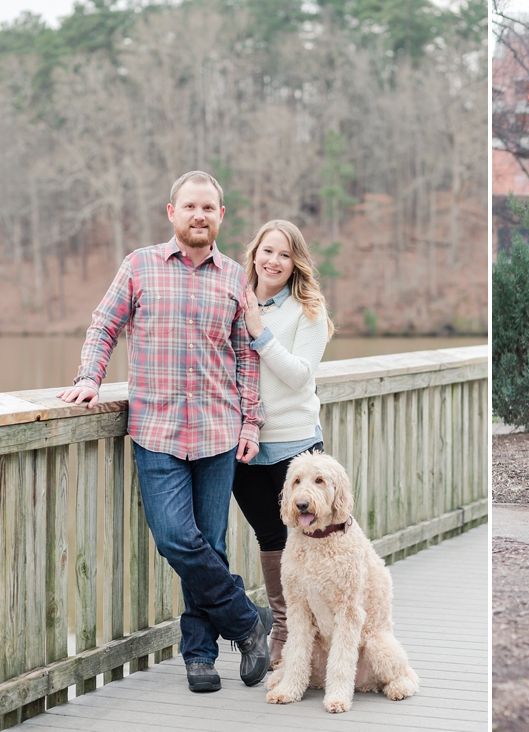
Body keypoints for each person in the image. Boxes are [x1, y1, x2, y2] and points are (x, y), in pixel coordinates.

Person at [56, 171, 273, 694]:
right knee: (176, 539)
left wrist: (250, 420)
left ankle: (200, 656)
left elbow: (246, 357)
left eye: (209, 208)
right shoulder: (139, 266)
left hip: (218, 432)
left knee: (212, 544)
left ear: (221, 216)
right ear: (171, 212)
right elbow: (104, 325)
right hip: (155, 430)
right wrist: (90, 377)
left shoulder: (233, 280)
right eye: (190, 206)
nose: (199, 215)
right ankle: (249, 623)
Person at [232, 220, 333, 668]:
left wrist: (260, 332)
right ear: (254, 253)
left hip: (295, 443)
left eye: (285, 255)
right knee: (270, 536)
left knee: (310, 536)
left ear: (296, 264)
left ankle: (323, 632)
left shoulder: (308, 310)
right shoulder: (235, 300)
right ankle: (284, 631)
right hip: (243, 441)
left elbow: (298, 375)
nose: (273, 261)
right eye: (267, 251)